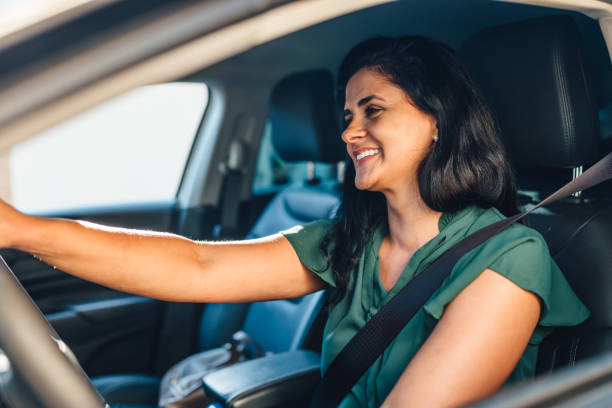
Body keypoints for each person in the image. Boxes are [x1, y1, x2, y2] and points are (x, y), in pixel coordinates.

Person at [0, 36, 589, 407]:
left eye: (373, 110)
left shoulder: (508, 258)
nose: (349, 132)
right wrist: (22, 231)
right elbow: (197, 265)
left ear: (438, 122)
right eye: (347, 115)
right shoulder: (350, 240)